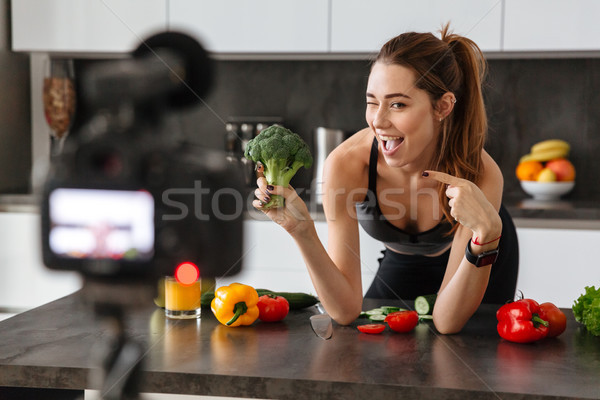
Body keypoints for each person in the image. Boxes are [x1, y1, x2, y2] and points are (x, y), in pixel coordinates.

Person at [252, 25, 518, 334]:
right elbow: (345, 311)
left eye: (398, 104)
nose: (378, 121)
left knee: (469, 349)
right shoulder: (347, 164)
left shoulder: (481, 173)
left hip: (483, 249)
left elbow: (448, 322)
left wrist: (486, 234)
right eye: (372, 101)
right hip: (403, 258)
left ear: (442, 107)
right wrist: (302, 231)